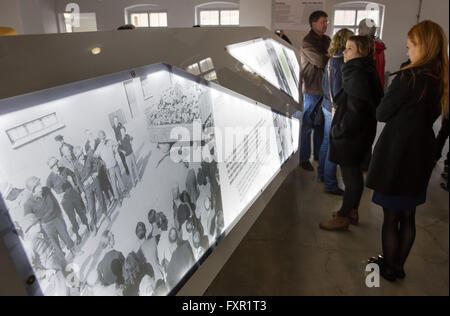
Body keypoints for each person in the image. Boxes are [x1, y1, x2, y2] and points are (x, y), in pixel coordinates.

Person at [366, 20, 448, 281]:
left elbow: (382, 113)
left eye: (410, 46)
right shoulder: (442, 76)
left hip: (398, 152)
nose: (408, 51)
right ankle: (398, 266)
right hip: (423, 148)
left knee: (391, 216)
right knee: (409, 214)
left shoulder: (408, 76)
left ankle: (388, 268)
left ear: (423, 47)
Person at [319, 35, 384, 231]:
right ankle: (352, 210)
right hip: (361, 133)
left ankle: (343, 216)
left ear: (361, 52)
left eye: (349, 49)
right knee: (354, 175)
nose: (344, 52)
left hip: (352, 135)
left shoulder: (356, 73)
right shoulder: (364, 68)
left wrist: (339, 130)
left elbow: (355, 110)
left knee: (351, 177)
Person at [317, 28, 354, 196]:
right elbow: (338, 91)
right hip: (334, 110)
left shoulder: (332, 59)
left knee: (326, 142)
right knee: (333, 146)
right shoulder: (341, 63)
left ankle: (322, 175)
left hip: (327, 106)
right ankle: (330, 183)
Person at [299, 10, 331, 171]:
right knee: (307, 125)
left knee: (321, 124)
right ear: (313, 23)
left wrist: (327, 56)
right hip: (311, 89)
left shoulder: (326, 39)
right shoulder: (307, 41)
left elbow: (331, 57)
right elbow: (321, 61)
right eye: (323, 21)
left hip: (324, 88)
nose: (326, 24)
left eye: (326, 21)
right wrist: (328, 56)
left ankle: (318, 155)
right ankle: (304, 158)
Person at [24, 176, 75, 259]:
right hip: (46, 225)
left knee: (65, 235)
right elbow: (29, 218)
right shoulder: (28, 203)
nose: (40, 187)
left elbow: (55, 201)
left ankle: (73, 250)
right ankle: (63, 258)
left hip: (56, 218)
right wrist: (38, 226)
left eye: (39, 184)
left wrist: (60, 213)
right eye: (37, 186)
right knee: (54, 243)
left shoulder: (47, 190)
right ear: (33, 190)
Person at [46, 157, 88, 244]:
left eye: (56, 164)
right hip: (65, 200)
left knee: (81, 211)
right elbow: (47, 192)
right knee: (72, 218)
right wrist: (57, 197)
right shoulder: (50, 178)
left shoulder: (64, 169)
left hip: (73, 193)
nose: (56, 167)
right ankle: (77, 235)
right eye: (53, 166)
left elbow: (74, 175)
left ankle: (88, 225)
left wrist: (76, 186)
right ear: (51, 168)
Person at [73, 146, 108, 235]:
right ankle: (94, 224)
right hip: (86, 187)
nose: (81, 156)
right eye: (79, 155)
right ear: (77, 156)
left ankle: (105, 213)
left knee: (101, 199)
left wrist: (96, 172)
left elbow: (98, 162)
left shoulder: (88, 157)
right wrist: (82, 191)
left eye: (82, 153)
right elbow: (78, 180)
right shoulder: (76, 166)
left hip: (95, 181)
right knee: (91, 207)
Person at [95, 130, 127, 206]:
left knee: (120, 179)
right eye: (101, 137)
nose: (103, 138)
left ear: (105, 136)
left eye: (103, 136)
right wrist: (102, 162)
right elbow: (95, 156)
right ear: (99, 138)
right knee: (113, 184)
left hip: (115, 164)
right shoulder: (99, 147)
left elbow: (116, 144)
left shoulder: (109, 141)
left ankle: (125, 192)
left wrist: (115, 150)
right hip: (109, 168)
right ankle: (118, 199)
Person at [359, 18, 387, 88]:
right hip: (377, 88)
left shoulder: (365, 47)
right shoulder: (379, 46)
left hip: (366, 89)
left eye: (359, 28)